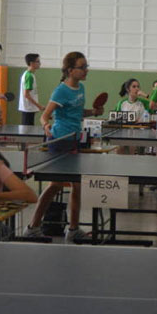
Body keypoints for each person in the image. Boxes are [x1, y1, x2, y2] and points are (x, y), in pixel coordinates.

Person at [22, 52, 104, 242]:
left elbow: (77, 111)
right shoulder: (61, 91)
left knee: (76, 185)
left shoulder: (80, 88)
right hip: (59, 141)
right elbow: (46, 115)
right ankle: (33, 227)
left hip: (75, 139)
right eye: (82, 67)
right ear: (70, 70)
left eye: (86, 66)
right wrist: (45, 125)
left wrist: (93, 112)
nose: (86, 70)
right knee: (56, 185)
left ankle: (72, 229)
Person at [18, 53, 44, 125]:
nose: (40, 63)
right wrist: (39, 106)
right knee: (27, 130)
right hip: (28, 108)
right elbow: (26, 94)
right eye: (38, 61)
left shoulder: (31, 75)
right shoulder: (29, 76)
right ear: (31, 63)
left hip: (30, 108)